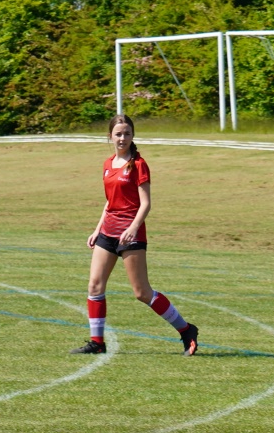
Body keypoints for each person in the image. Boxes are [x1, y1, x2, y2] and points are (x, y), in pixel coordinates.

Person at [72, 114, 198, 356]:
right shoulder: (108, 164)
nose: (122, 138)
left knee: (142, 293)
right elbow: (109, 202)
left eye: (127, 133)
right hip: (108, 232)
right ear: (110, 136)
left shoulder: (139, 164)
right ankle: (97, 343)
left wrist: (132, 228)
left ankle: (186, 330)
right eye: (118, 133)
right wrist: (97, 229)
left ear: (132, 136)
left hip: (131, 234)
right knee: (94, 285)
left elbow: (146, 203)